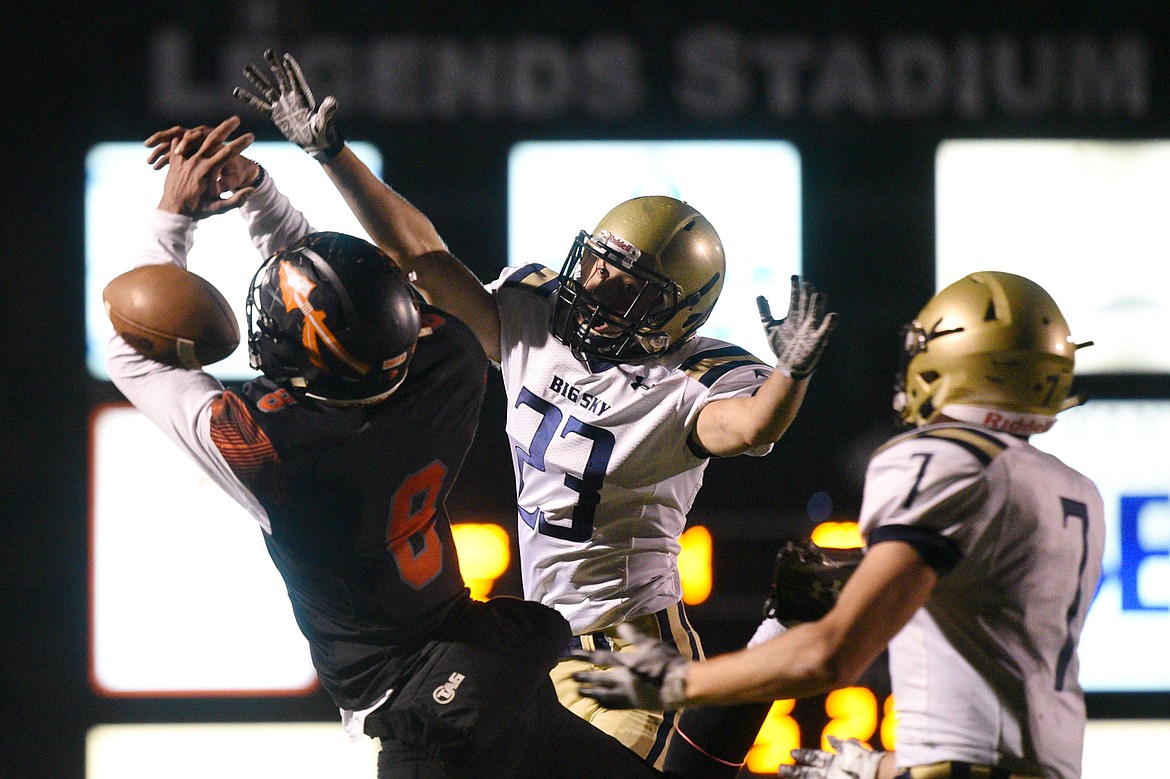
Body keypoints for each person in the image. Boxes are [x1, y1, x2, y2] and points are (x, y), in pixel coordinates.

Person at [233, 49, 837, 769]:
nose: (596, 287)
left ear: (677, 316)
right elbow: (422, 256)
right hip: (539, 637)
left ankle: (783, 652)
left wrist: (792, 371)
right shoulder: (534, 315)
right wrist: (329, 154)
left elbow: (753, 425)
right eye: (596, 264)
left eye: (625, 286)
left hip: (631, 647)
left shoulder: (689, 380)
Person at [112, 115, 662, 779]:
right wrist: (258, 192)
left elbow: (134, 349)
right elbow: (349, 288)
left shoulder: (274, 451)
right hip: (491, 661)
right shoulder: (452, 358)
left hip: (424, 711)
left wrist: (173, 214)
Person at [573, 271, 1106, 779]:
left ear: (951, 359)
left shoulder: (944, 460)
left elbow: (830, 658)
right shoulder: (1073, 488)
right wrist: (879, 767)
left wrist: (679, 682)